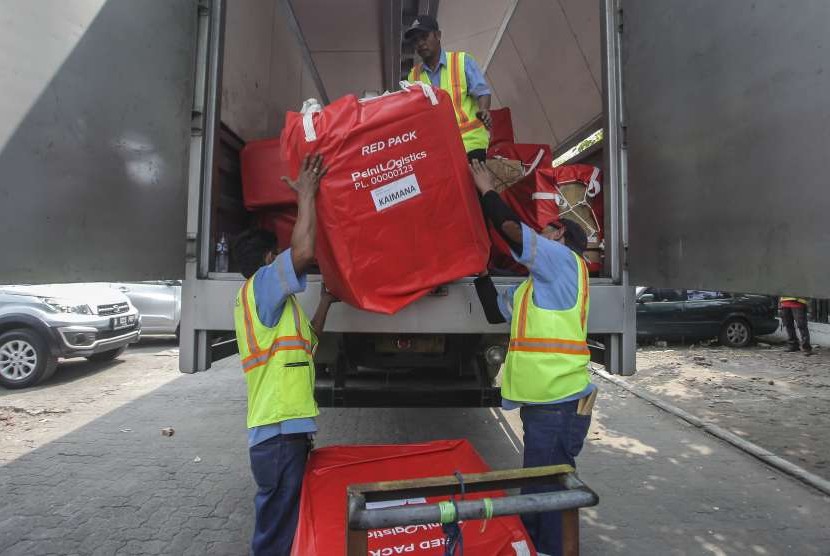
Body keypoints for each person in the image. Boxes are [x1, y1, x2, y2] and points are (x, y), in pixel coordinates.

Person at [469, 160, 596, 555]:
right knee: (540, 489)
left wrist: (486, 189)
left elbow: (512, 233)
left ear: (559, 234)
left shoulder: (563, 262)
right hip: (547, 404)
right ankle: (539, 547)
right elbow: (495, 311)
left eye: (547, 227)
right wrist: (475, 265)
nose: (541, 230)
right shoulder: (534, 289)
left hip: (558, 404)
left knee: (548, 492)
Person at [232, 153, 338, 556]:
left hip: (280, 433)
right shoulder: (262, 285)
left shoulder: (269, 307)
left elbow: (306, 345)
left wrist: (326, 302)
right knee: (275, 533)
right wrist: (307, 195)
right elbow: (304, 251)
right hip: (276, 434)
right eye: (276, 256)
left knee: (285, 524)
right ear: (266, 260)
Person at [404, 14, 492, 162]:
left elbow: (482, 92)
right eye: (415, 41)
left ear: (438, 35)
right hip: (437, 148)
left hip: (470, 143)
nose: (420, 43)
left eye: (424, 36)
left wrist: (484, 109)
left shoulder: (462, 61)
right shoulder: (413, 77)